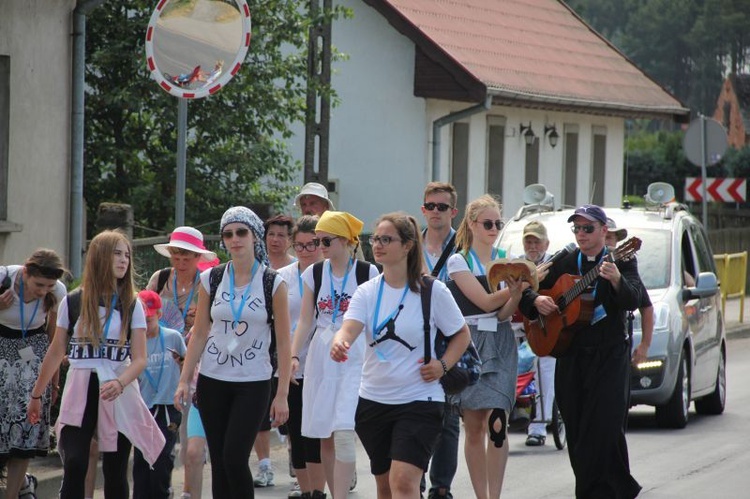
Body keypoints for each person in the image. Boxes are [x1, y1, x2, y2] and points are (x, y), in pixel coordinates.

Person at [330, 212, 470, 499]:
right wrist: (340, 343)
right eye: (375, 239)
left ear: (407, 245)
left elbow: (461, 335)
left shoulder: (433, 290)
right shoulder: (367, 292)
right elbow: (348, 328)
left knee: (404, 482)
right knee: (385, 487)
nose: (377, 245)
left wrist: (443, 366)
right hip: (373, 402)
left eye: (386, 239)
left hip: (421, 399)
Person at [28, 230, 165, 499]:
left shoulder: (132, 304)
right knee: (76, 462)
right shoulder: (74, 301)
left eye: (127, 254)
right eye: (116, 253)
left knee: (114, 470)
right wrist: (37, 394)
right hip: (81, 384)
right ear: (100, 256)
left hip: (118, 387)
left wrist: (120, 382)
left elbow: (139, 359)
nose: (123, 260)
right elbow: (56, 351)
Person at [519, 205, 643, 498]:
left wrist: (616, 280)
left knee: (604, 428)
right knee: (575, 427)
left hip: (609, 355)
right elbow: (526, 289)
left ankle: (608, 491)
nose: (582, 234)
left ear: (603, 231)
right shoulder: (564, 259)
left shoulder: (622, 261)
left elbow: (635, 297)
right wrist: (536, 300)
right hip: (571, 355)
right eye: (577, 228)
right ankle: (590, 490)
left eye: (588, 228)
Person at [174, 206, 292, 499]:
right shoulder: (211, 279)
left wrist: (282, 394)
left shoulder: (272, 282)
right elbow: (200, 332)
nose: (235, 239)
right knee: (219, 461)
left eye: (241, 232)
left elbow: (285, 341)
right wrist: (185, 379)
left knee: (234, 457)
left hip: (253, 382)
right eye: (228, 234)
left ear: (255, 236)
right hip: (213, 379)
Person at [290, 211, 379, 499]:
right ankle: (334, 493)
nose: (320, 246)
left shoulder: (368, 273)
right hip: (321, 357)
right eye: (318, 240)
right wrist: (293, 356)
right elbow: (305, 320)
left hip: (356, 356)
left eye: (325, 240)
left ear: (344, 241)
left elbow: (375, 320)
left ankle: (340, 492)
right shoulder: (313, 273)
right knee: (324, 434)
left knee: (343, 431)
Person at [447, 194, 522, 499]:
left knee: (497, 423)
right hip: (471, 339)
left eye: (497, 223)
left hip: (501, 341)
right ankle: (481, 495)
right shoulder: (458, 260)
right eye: (487, 223)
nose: (493, 229)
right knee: (474, 424)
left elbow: (502, 313)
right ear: (472, 225)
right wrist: (518, 287)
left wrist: (517, 293)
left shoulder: (505, 256)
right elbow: (485, 302)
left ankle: (495, 495)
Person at [148, 226, 217, 499]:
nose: (180, 262)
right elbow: (143, 311)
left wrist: (201, 318)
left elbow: (219, 323)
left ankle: (190, 492)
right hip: (159, 367)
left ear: (198, 257)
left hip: (196, 367)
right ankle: (160, 488)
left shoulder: (209, 282)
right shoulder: (160, 278)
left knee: (192, 445)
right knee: (160, 436)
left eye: (186, 256)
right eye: (175, 255)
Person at [0, 250, 67, 499]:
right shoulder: (4, 278)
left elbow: (54, 340)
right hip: (2, 352)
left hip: (32, 359)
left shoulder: (57, 292)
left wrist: (54, 382)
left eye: (48, 286)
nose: (43, 291)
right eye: (39, 284)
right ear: (26, 273)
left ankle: (14, 493)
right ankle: (23, 484)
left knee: (23, 432)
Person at [278, 215, 327, 498]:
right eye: (300, 246)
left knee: (319, 432)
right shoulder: (282, 278)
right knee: (296, 431)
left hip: (323, 362)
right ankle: (307, 490)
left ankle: (319, 489)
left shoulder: (331, 275)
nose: (306, 251)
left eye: (313, 244)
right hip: (292, 363)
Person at [419, 182, 461, 499]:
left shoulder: (464, 246)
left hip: (451, 337)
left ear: (453, 211)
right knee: (414, 414)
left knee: (448, 416)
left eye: (442, 207)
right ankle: (412, 479)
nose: (435, 212)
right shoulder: (409, 244)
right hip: (415, 338)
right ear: (423, 209)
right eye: (430, 206)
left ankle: (441, 487)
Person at [253, 214, 297, 488]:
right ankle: (265, 466)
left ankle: (298, 460)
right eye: (271, 234)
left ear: (290, 240)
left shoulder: (297, 270)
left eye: (282, 235)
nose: (276, 240)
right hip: (260, 350)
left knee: (291, 409)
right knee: (260, 411)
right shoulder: (257, 268)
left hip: (290, 349)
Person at [132, 290, 187, 499]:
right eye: (141, 319)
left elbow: (187, 364)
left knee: (163, 456)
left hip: (168, 406)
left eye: (149, 319)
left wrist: (182, 365)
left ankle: (162, 494)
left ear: (159, 315)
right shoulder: (134, 341)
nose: (145, 324)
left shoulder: (173, 338)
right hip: (143, 407)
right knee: (141, 458)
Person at [518, 221, 557, 447]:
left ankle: (539, 426)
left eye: (537, 241)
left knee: (544, 365)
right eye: (528, 241)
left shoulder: (555, 264)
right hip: (518, 329)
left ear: (546, 243)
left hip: (545, 329)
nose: (532, 246)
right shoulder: (515, 265)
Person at [605, 219, 653, 382]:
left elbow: (646, 307)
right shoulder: (581, 260)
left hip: (614, 347)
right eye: (603, 237)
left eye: (609, 238)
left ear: (617, 242)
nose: (605, 242)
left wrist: (644, 345)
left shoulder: (626, 268)